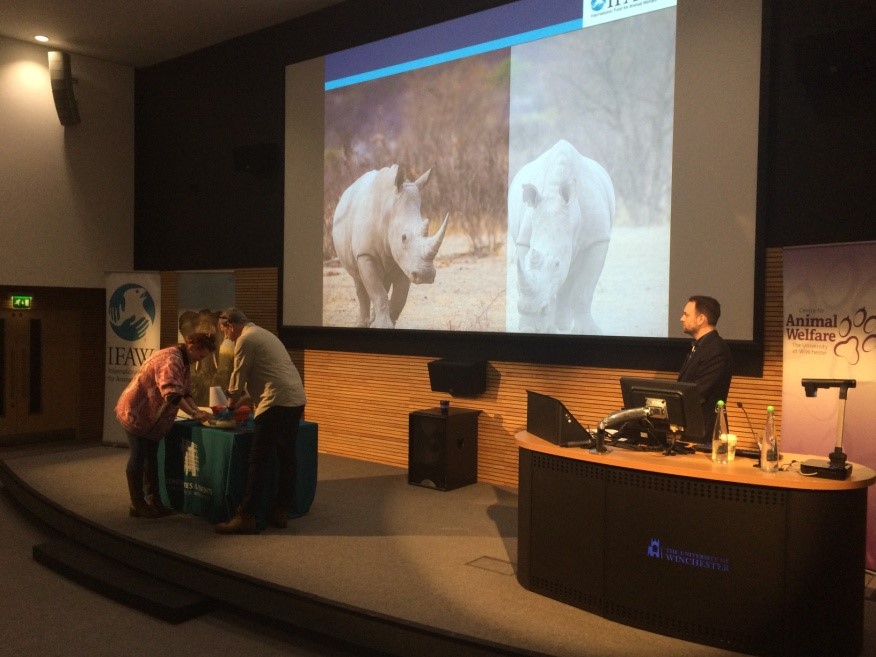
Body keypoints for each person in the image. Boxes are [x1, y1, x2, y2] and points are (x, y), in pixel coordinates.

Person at [214, 308, 307, 534]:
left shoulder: (245, 339)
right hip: (295, 399)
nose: (224, 336)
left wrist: (229, 408)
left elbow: (238, 380)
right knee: (287, 457)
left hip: (275, 402)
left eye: (223, 330)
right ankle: (280, 510)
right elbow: (264, 378)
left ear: (230, 325)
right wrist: (238, 401)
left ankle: (246, 516)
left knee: (258, 460)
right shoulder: (264, 334)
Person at [115, 331, 216, 518]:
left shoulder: (183, 361)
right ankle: (137, 503)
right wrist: (194, 413)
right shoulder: (171, 359)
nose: (199, 360)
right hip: (136, 413)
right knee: (138, 457)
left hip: (152, 420)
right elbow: (172, 394)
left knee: (151, 458)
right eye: (200, 355)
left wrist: (198, 411)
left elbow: (184, 392)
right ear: (192, 346)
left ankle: (154, 500)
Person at [677, 295, 732, 438]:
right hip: (692, 430)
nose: (681, 319)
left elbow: (698, 393)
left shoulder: (716, 350)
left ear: (701, 319)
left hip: (705, 434)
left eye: (686, 315)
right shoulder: (700, 346)